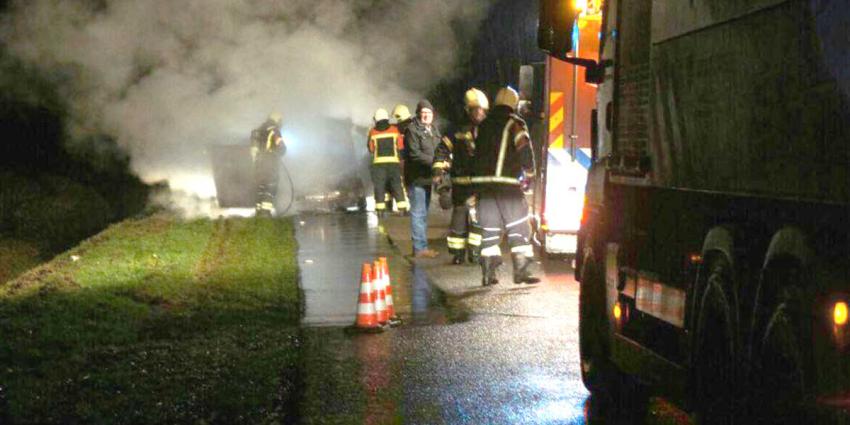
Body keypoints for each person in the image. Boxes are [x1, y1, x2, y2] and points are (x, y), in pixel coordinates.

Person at [470, 87, 540, 286]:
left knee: (490, 231)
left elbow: (474, 153)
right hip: (507, 186)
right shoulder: (515, 123)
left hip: (484, 188)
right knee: (518, 227)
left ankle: (488, 274)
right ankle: (521, 271)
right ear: (513, 103)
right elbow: (524, 150)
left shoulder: (482, 125)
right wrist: (530, 175)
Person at [433, 88, 488, 265]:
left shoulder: (490, 129)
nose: (479, 113)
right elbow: (442, 150)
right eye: (475, 109)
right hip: (461, 181)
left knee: (479, 219)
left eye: (482, 110)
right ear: (468, 110)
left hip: (481, 183)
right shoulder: (455, 130)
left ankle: (475, 252)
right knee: (459, 217)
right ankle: (458, 253)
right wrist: (438, 171)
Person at [403, 100, 441, 258]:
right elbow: (414, 154)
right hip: (417, 178)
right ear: (419, 113)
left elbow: (440, 148)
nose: (426, 115)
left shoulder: (433, 129)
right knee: (418, 214)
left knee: (423, 213)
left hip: (427, 179)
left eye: (429, 113)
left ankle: (421, 247)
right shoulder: (412, 130)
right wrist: (435, 162)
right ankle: (420, 249)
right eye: (424, 112)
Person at [367, 108, 408, 216]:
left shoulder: (372, 131)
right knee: (396, 185)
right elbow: (400, 146)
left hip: (378, 165)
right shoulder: (395, 130)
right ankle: (402, 209)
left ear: (376, 119)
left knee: (380, 186)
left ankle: (380, 210)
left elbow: (371, 149)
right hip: (393, 164)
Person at [251, 112, 286, 216]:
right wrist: (280, 151)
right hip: (270, 162)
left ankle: (259, 212)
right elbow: (282, 147)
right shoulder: (274, 130)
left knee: (260, 188)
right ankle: (265, 213)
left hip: (258, 163)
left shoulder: (259, 129)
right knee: (270, 187)